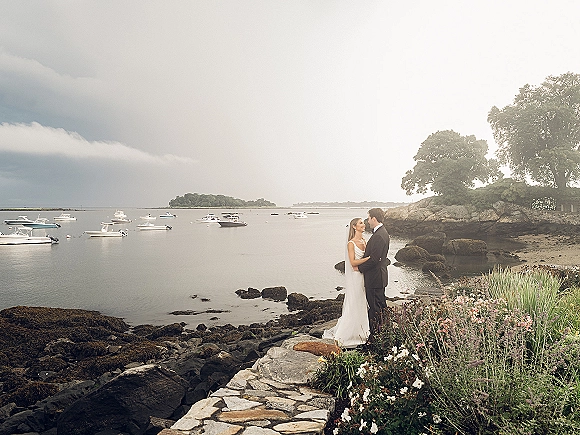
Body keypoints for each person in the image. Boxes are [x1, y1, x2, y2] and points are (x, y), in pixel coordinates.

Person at [323, 218, 370, 348]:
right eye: (360, 223)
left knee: (362, 302)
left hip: (363, 275)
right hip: (355, 277)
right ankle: (349, 333)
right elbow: (353, 263)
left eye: (363, 223)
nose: (363, 224)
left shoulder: (364, 240)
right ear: (354, 227)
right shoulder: (351, 243)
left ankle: (362, 331)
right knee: (355, 302)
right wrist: (368, 259)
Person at [357, 208, 390, 335]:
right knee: (381, 306)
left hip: (375, 277)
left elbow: (375, 259)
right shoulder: (382, 233)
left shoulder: (379, 236)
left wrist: (359, 268)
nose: (368, 221)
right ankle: (385, 332)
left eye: (369, 218)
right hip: (379, 276)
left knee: (375, 308)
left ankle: (377, 336)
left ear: (374, 219)